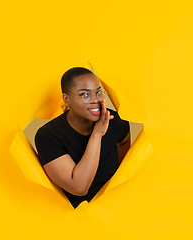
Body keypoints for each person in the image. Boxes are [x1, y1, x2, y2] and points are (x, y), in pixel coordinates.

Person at [35, 67, 130, 208]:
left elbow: (124, 141)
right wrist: (97, 135)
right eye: (85, 95)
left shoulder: (114, 120)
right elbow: (79, 188)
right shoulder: (48, 136)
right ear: (66, 99)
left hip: (113, 207)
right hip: (72, 216)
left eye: (98, 92)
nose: (95, 100)